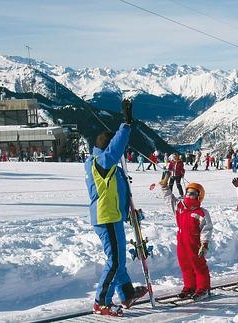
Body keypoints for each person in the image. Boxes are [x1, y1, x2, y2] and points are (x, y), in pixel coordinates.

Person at [85, 99, 147, 317]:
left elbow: (119, 191)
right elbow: (115, 149)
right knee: (114, 261)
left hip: (115, 215)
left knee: (118, 259)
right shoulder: (100, 162)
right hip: (106, 217)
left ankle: (126, 293)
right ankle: (101, 302)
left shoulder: (108, 166)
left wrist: (129, 212)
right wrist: (126, 126)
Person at [160, 172, 213, 300]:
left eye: (193, 193)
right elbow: (169, 199)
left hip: (195, 243)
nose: (189, 195)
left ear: (199, 196)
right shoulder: (179, 207)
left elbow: (207, 229)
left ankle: (203, 288)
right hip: (182, 241)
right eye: (188, 192)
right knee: (185, 265)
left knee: (198, 265)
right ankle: (190, 286)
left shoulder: (201, 212)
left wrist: (204, 244)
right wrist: (164, 187)